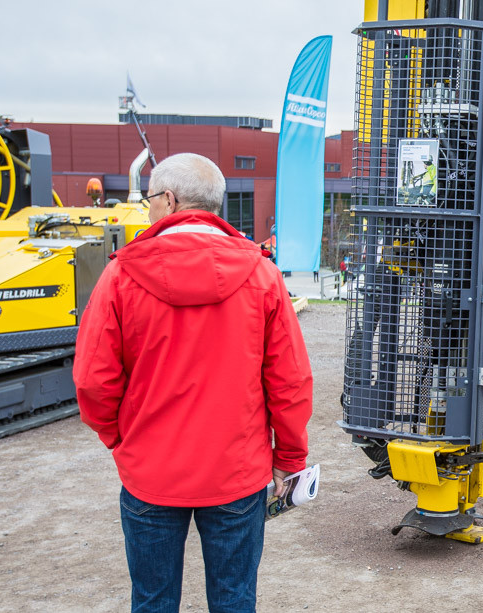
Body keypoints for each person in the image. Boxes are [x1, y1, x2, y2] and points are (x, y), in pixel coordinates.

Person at [74, 153, 313, 613]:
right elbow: (290, 380)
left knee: (152, 601)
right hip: (237, 473)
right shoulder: (262, 274)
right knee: (234, 601)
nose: (147, 211)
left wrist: (119, 438)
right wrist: (289, 457)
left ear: (168, 199)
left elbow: (92, 379)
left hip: (151, 471)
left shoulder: (121, 274)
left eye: (148, 200)